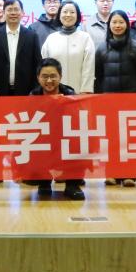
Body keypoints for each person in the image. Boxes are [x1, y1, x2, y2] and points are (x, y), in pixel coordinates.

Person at [0, 0, 43, 186]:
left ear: (23, 13)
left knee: (23, 134)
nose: (13, 12)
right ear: (4, 12)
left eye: (16, 9)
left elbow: (37, 65)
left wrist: (35, 91)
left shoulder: (31, 36)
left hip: (24, 94)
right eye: (9, 9)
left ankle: (24, 172)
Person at [96, 9, 136, 187]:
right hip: (108, 101)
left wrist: (135, 92)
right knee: (111, 138)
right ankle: (111, 173)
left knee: (130, 138)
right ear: (109, 25)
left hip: (131, 101)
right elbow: (98, 75)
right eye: (114, 22)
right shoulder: (101, 48)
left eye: (121, 22)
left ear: (127, 24)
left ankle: (129, 175)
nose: (117, 25)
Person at [28, 58, 84, 201]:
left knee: (79, 143)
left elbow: (78, 122)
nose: (49, 80)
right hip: (43, 139)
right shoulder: (33, 96)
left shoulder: (70, 94)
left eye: (53, 76)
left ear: (60, 76)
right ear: (38, 78)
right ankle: (44, 182)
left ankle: (72, 185)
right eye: (45, 76)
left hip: (65, 138)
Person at [40, 0, 95, 94]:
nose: (68, 15)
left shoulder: (85, 38)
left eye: (72, 12)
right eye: (65, 12)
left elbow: (89, 68)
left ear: (77, 16)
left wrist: (85, 91)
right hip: (54, 93)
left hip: (79, 93)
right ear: (59, 15)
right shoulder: (51, 39)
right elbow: (44, 68)